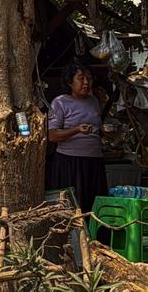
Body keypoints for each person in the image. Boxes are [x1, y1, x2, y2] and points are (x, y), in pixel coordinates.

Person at [47, 62, 108, 212]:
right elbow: (52, 135)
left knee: (93, 205)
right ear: (70, 82)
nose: (86, 82)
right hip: (70, 162)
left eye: (89, 79)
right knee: (73, 206)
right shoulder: (60, 102)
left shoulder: (94, 101)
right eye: (81, 78)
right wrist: (76, 130)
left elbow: (97, 130)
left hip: (94, 162)